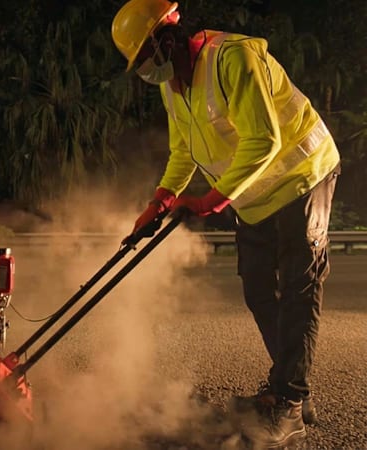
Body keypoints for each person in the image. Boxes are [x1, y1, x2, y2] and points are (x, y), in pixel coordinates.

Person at [111, 0, 340, 447]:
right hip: (253, 196)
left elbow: (264, 139)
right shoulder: (172, 85)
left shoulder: (233, 59)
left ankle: (289, 405)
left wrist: (211, 201)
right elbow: (185, 151)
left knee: (297, 288)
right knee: (258, 291)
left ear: (166, 39)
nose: (143, 70)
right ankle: (292, 389)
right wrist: (161, 200)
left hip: (303, 175)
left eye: (143, 57)